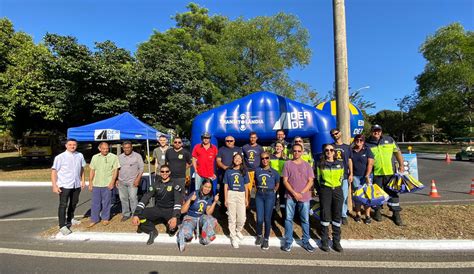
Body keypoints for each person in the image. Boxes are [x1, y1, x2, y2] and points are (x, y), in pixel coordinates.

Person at [132, 165, 183, 245]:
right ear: (160, 172)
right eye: (162, 171)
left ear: (169, 172)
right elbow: (145, 198)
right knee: (140, 214)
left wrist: (174, 217)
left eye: (166, 171)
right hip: (158, 209)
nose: (164, 173)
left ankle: (168, 225)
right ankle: (152, 231)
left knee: (172, 230)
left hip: (170, 210)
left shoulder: (175, 184)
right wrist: (136, 214)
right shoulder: (156, 184)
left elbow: (177, 202)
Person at [366, 124, 405, 226]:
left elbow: (397, 152)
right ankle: (377, 212)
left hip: (390, 172)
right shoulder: (367, 143)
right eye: (374, 130)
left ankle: (396, 214)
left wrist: (401, 165)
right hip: (376, 173)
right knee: (377, 194)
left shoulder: (389, 140)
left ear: (381, 131)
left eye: (378, 130)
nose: (376, 132)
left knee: (393, 193)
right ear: (371, 131)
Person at [281, 143, 315, 253]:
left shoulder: (307, 165)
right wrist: (294, 193)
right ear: (291, 152)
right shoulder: (287, 164)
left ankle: (305, 241)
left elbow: (311, 181)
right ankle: (288, 241)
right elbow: (285, 181)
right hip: (290, 196)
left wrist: (301, 192)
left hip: (304, 197)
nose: (296, 153)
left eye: (298, 151)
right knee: (288, 219)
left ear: (302, 152)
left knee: (305, 220)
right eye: (294, 151)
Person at [51, 138, 86, 235]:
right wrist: (54, 185)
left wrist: (82, 180)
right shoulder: (60, 157)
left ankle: (70, 218)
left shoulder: (80, 155)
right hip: (65, 184)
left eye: (74, 144)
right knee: (63, 205)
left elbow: (82, 169)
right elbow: (54, 171)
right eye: (70, 144)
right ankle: (62, 226)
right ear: (66, 146)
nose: (72, 146)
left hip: (76, 184)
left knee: (74, 203)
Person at [177, 179, 219, 252]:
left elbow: (208, 213)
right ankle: (184, 235)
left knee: (212, 220)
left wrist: (215, 202)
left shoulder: (210, 196)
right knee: (187, 234)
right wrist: (190, 200)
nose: (207, 189)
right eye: (205, 186)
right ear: (202, 186)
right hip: (190, 217)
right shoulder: (194, 193)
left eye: (209, 187)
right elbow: (183, 210)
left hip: (201, 218)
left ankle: (204, 236)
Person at [316, 143, 344, 252]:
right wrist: (322, 189)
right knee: (325, 215)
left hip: (337, 190)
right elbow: (318, 178)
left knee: (337, 215)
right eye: (326, 150)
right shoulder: (320, 164)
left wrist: (336, 186)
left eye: (331, 150)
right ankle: (325, 241)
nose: (329, 152)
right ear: (324, 152)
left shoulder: (340, 164)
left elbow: (341, 178)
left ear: (334, 152)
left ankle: (336, 242)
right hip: (325, 190)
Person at [88, 142, 120, 227]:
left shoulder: (113, 157)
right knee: (95, 202)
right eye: (104, 148)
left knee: (106, 202)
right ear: (100, 149)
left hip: (107, 183)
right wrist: (90, 182)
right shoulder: (95, 157)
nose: (106, 150)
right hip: (96, 183)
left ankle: (105, 218)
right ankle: (94, 219)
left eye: (107, 148)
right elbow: (92, 170)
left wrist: (112, 181)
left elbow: (115, 170)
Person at [255, 152, 280, 250]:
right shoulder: (257, 170)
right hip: (259, 195)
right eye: (262, 158)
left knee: (267, 218)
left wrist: (274, 191)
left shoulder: (274, 172)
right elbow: (255, 182)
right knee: (259, 218)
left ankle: (266, 239)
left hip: (270, 195)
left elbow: (277, 183)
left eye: (266, 158)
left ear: (269, 159)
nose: (264, 160)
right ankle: (259, 235)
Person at [224, 153, 249, 248]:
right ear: (233, 160)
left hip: (241, 194)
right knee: (231, 217)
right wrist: (226, 198)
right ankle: (233, 237)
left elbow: (246, 186)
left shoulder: (244, 171)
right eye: (236, 158)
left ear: (242, 160)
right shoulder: (228, 171)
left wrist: (247, 198)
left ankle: (238, 231)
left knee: (242, 218)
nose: (237, 160)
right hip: (231, 194)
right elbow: (225, 185)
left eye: (239, 158)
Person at [330, 128, 353, 225]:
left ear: (340, 133)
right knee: (333, 197)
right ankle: (335, 215)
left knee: (343, 196)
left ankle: (343, 215)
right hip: (334, 176)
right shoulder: (331, 146)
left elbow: (349, 160)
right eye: (332, 134)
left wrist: (351, 173)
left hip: (344, 176)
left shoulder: (347, 147)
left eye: (336, 133)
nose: (335, 135)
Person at [117, 141, 144, 222]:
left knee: (133, 198)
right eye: (125, 148)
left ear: (131, 147)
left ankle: (135, 214)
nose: (127, 149)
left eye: (128, 147)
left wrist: (138, 179)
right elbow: (117, 169)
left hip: (133, 181)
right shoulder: (120, 157)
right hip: (122, 181)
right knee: (123, 198)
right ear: (123, 148)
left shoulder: (137, 156)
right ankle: (126, 214)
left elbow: (141, 168)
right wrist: (117, 179)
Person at [350, 134, 374, 224]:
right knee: (357, 196)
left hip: (366, 176)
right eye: (357, 140)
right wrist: (351, 174)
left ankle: (367, 215)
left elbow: (370, 163)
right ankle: (358, 214)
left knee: (367, 195)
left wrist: (367, 175)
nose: (359, 142)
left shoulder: (367, 150)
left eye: (361, 140)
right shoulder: (352, 151)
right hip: (356, 176)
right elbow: (350, 163)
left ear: (363, 142)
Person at [216, 135, 242, 210]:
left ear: (234, 141)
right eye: (227, 141)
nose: (229, 142)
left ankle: (235, 208)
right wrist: (224, 167)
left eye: (231, 141)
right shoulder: (221, 149)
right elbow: (218, 161)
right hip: (224, 173)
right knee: (223, 191)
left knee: (235, 190)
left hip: (235, 174)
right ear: (225, 142)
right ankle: (223, 208)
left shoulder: (238, 149)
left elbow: (241, 160)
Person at [242, 132, 264, 206]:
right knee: (248, 189)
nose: (253, 139)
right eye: (251, 137)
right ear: (249, 138)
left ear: (257, 138)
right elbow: (242, 159)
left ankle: (259, 206)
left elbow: (263, 159)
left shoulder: (260, 148)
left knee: (259, 189)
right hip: (248, 171)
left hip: (257, 171)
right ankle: (246, 206)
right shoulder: (245, 147)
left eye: (254, 137)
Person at [270, 140, 288, 212]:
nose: (278, 148)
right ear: (274, 147)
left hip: (282, 180)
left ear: (283, 148)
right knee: (273, 198)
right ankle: (272, 219)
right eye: (277, 146)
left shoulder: (286, 158)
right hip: (272, 180)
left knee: (283, 199)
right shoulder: (270, 157)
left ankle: (283, 217)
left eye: (280, 146)